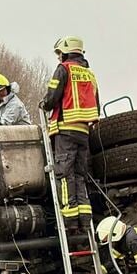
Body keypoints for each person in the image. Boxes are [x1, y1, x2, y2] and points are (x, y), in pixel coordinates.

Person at [41, 36, 100, 234]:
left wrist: (44, 104)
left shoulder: (64, 69)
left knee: (64, 175)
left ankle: (70, 222)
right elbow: (96, 104)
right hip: (83, 132)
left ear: (66, 52)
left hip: (65, 129)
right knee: (80, 176)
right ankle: (85, 220)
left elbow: (51, 98)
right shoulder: (90, 74)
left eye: (60, 53)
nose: (59, 57)